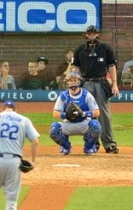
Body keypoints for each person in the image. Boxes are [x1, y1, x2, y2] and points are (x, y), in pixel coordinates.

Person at [72, 25, 120, 154]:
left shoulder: (105, 48)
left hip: (101, 82)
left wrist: (114, 84)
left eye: (94, 33)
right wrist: (73, 82)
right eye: (89, 33)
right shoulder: (80, 50)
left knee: (104, 114)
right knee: (87, 114)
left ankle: (109, 143)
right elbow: (76, 68)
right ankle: (92, 143)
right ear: (86, 35)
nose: (92, 35)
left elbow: (111, 66)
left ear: (97, 34)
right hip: (86, 83)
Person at [50, 70, 102, 155]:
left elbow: (97, 112)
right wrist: (66, 115)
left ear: (79, 81)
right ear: (67, 82)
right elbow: (55, 113)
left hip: (84, 123)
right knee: (54, 129)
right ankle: (66, 146)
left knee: (96, 126)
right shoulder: (63, 96)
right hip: (68, 123)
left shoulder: (86, 95)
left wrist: (84, 114)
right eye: (70, 80)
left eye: (74, 80)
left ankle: (88, 147)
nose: (72, 82)